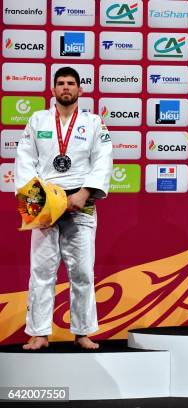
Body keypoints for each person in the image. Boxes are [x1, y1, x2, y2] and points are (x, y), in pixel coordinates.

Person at [14, 66, 113, 350]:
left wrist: (85, 192)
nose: (66, 88)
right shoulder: (38, 120)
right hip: (45, 203)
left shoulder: (93, 122)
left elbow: (103, 159)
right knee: (42, 270)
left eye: (71, 83)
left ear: (80, 90)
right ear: (53, 89)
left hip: (81, 200)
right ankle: (39, 333)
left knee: (81, 270)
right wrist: (36, 203)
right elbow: (24, 160)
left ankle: (82, 332)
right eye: (61, 83)